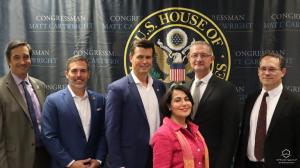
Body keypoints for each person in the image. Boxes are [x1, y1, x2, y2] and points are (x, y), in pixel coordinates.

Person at [105, 39, 166, 168]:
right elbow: (112, 131)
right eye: (140, 57)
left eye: (148, 57)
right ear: (131, 58)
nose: (145, 61)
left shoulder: (160, 86)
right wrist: (118, 164)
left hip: (158, 156)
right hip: (130, 160)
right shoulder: (117, 89)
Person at [235, 53, 300, 168]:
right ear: (258, 71)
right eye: (263, 69)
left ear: (283, 72)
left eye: (272, 69)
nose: (266, 73)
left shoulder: (295, 102)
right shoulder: (250, 99)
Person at [41, 55, 107, 168]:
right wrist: (70, 163)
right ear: (67, 74)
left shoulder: (100, 100)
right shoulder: (53, 101)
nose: (79, 75)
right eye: (74, 71)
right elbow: (49, 136)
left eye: (83, 71)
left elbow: (104, 133)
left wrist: (98, 160)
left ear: (88, 74)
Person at [187, 41, 241, 168]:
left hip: (214, 160)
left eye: (203, 55)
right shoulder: (183, 88)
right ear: (189, 59)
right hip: (186, 159)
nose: (199, 59)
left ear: (211, 59)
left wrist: (223, 162)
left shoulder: (227, 89)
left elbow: (231, 132)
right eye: (194, 55)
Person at [0, 40, 50, 168]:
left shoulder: (40, 85)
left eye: (26, 57)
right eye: (16, 57)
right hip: (16, 160)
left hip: (45, 156)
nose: (22, 62)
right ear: (8, 61)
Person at [152, 84, 209, 168]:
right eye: (177, 100)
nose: (184, 103)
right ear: (169, 106)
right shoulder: (163, 135)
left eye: (187, 99)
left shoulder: (195, 130)